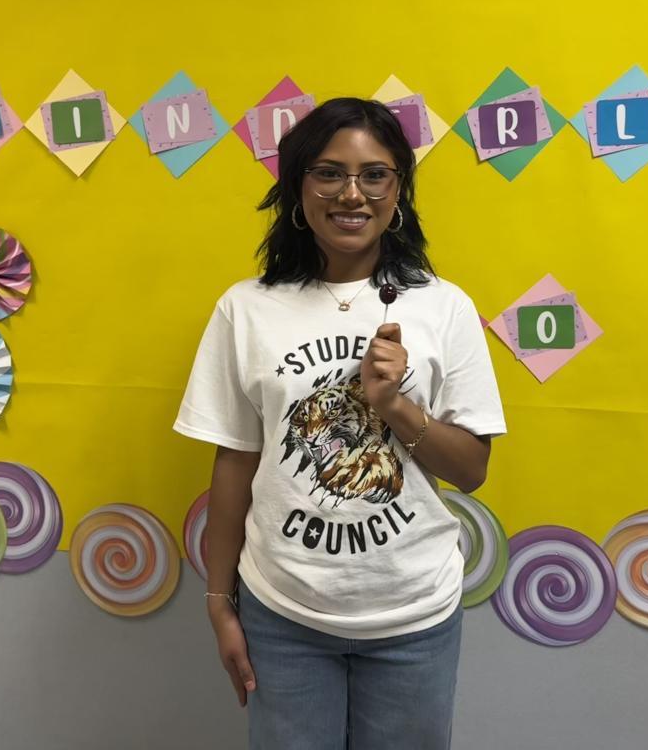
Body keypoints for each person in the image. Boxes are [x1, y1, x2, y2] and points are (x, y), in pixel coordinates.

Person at [173, 96, 507, 750]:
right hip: (283, 613)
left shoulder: (444, 308)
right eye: (328, 173)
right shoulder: (246, 309)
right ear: (297, 189)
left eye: (374, 174)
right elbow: (235, 462)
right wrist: (219, 600)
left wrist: (394, 406)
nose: (352, 194)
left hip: (414, 614)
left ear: (398, 191)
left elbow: (471, 470)